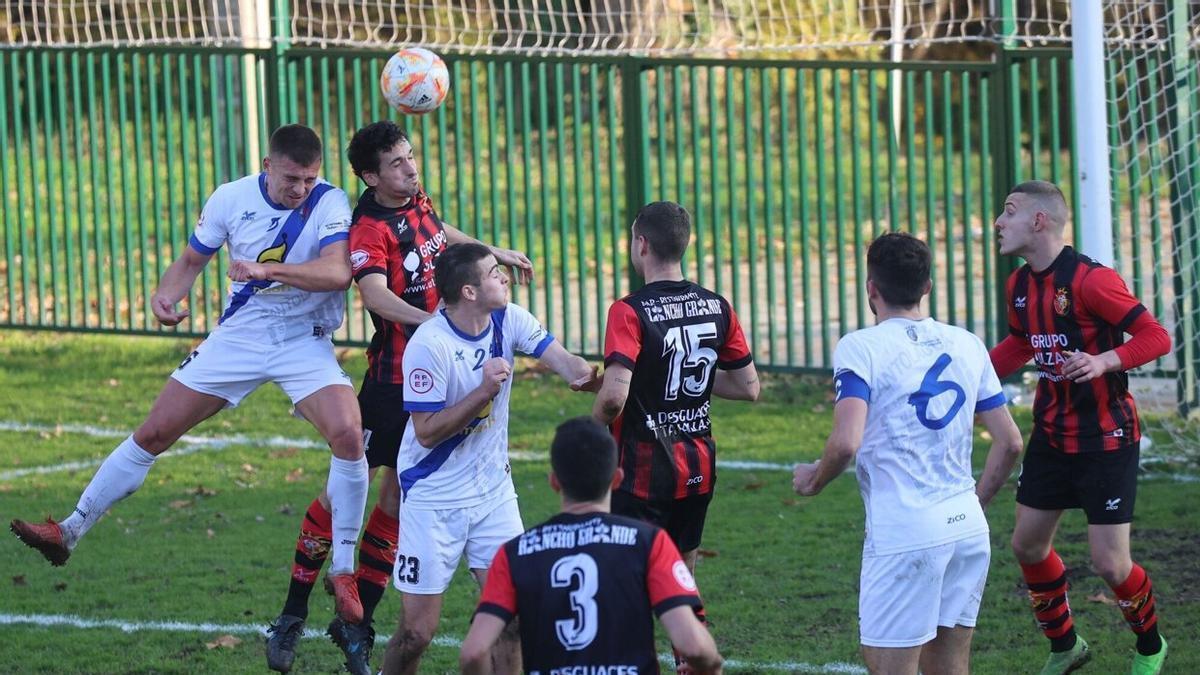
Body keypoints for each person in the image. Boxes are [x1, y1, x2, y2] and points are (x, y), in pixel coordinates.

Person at [10, 124, 370, 628]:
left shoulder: (330, 203)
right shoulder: (230, 198)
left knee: (349, 435)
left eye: (309, 179)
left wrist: (266, 272)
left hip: (302, 339)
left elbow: (337, 273)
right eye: (292, 179)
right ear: (267, 166)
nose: (301, 190)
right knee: (154, 432)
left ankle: (344, 570)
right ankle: (68, 532)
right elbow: (190, 260)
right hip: (239, 338)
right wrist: (166, 297)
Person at [264, 122, 534, 675]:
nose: (410, 169)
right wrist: (436, 324)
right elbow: (376, 297)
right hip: (392, 384)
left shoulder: (417, 199)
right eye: (397, 164)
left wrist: (491, 250)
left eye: (411, 158)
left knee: (396, 503)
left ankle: (357, 624)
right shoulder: (368, 228)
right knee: (344, 493)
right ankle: (293, 611)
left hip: (436, 374)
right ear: (370, 176)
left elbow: (437, 232)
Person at [792, 232, 1024, 675]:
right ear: (928, 286)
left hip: (905, 532)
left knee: (888, 665)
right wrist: (974, 504)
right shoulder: (968, 343)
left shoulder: (860, 348)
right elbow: (1010, 441)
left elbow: (846, 442)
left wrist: (814, 479)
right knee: (951, 667)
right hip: (967, 529)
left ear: (871, 289)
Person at [379, 242, 599, 675]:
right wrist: (482, 391)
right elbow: (425, 433)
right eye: (494, 272)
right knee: (416, 634)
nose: (504, 276)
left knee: (514, 616)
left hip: (493, 492)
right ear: (469, 292)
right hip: (433, 496)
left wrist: (613, 377)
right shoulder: (430, 344)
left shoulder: (509, 319)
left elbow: (570, 366)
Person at [990, 180, 1171, 675]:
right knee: (1027, 545)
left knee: (1111, 564)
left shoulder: (1093, 281)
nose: (998, 222)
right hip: (1050, 433)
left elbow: (1157, 337)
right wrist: (970, 376)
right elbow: (1020, 345)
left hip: (1106, 438)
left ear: (1040, 221)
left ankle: (1151, 645)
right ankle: (1067, 647)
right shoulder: (1018, 285)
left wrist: (1103, 361)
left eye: (1008, 211)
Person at [460, 417, 723, 675]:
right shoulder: (649, 543)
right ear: (617, 479)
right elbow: (695, 647)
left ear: (554, 482)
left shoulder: (514, 553)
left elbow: (474, 652)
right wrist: (711, 665)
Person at [591, 201, 758, 579]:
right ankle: (686, 640)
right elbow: (748, 386)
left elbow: (615, 397)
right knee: (681, 579)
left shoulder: (629, 311)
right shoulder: (717, 306)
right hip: (697, 467)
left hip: (640, 471)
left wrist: (592, 426)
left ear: (642, 245)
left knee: (627, 581)